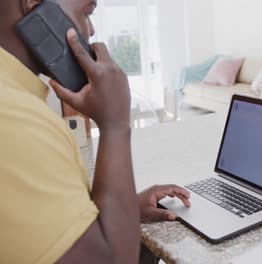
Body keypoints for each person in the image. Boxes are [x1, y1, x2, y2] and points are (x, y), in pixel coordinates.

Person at [0, 0, 191, 263]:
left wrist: (125, 209)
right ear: (33, 4)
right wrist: (115, 125)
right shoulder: (14, 118)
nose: (89, 30)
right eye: (87, 12)